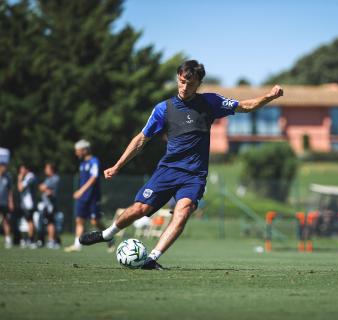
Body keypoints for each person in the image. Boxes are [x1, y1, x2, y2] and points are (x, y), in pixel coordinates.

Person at [79, 60, 284, 269]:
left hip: (194, 175)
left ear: (199, 83)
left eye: (190, 83)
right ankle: (107, 234)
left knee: (183, 210)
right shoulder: (163, 109)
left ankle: (152, 259)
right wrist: (117, 165)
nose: (184, 87)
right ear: (178, 78)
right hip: (168, 170)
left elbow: (244, 106)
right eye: (182, 81)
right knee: (140, 208)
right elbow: (141, 139)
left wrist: (269, 96)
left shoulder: (210, 103)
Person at [65, 140, 113, 252]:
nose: (76, 153)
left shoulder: (94, 161)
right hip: (83, 198)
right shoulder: (82, 163)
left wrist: (81, 191)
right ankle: (77, 245)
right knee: (79, 220)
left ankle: (109, 236)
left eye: (78, 151)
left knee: (95, 221)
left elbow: (94, 177)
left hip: (93, 197)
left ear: (85, 150)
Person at [38, 163, 60, 249]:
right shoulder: (48, 178)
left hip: (51, 204)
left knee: (51, 222)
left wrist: (44, 188)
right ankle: (53, 240)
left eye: (47, 168)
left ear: (51, 169)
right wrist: (44, 188)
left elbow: (45, 189)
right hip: (46, 204)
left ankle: (52, 241)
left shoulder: (55, 178)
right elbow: (41, 187)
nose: (45, 170)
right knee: (48, 222)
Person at [17, 164, 37, 249]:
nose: (21, 171)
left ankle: (31, 240)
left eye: (22, 169)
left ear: (26, 169)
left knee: (30, 221)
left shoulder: (30, 177)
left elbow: (20, 188)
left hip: (29, 204)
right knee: (27, 221)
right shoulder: (28, 177)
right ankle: (27, 239)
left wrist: (19, 179)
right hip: (25, 204)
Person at [0, 162, 15, 249]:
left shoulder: (8, 176)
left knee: (6, 220)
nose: (4, 168)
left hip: (4, 202)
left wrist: (11, 202)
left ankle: (8, 239)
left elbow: (10, 191)